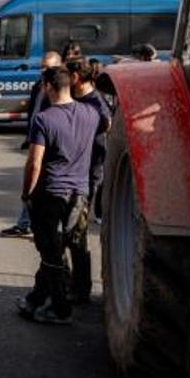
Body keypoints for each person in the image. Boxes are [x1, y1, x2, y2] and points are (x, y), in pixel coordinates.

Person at [17, 66, 98, 325]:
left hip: (50, 192)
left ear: (48, 86)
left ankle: (60, 309)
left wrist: (26, 193)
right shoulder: (91, 113)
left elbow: (34, 162)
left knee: (50, 252)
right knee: (58, 247)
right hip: (79, 192)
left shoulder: (44, 119)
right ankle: (36, 298)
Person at [1, 51, 63, 237]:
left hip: (50, 146)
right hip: (36, 140)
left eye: (48, 67)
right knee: (31, 182)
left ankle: (47, 228)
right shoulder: (39, 85)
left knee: (42, 185)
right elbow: (34, 110)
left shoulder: (60, 91)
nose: (43, 70)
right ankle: (24, 223)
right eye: (42, 67)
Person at [65, 58, 112, 303]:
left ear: (76, 77)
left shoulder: (95, 103)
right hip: (76, 172)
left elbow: (106, 129)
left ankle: (81, 288)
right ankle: (76, 283)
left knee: (77, 230)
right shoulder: (79, 99)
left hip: (87, 174)